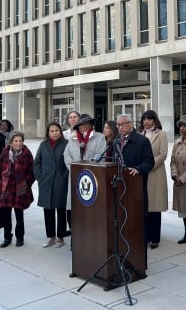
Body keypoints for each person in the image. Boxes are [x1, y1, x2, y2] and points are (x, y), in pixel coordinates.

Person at [113, 114, 155, 259]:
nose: (120, 127)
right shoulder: (116, 141)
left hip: (136, 189)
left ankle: (138, 256)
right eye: (118, 124)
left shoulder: (142, 141)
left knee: (137, 222)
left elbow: (149, 162)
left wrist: (138, 169)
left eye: (123, 124)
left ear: (131, 124)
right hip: (119, 189)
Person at [0, 131, 35, 248]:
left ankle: (20, 237)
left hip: (20, 189)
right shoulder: (5, 153)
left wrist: (26, 184)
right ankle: (7, 237)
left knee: (19, 215)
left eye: (20, 141)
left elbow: (32, 171)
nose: (18, 143)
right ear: (11, 143)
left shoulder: (27, 154)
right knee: (6, 215)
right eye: (16, 141)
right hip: (6, 189)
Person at [63, 113, 106, 218]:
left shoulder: (99, 137)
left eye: (85, 124)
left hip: (93, 177)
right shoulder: (72, 139)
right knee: (76, 203)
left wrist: (90, 169)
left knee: (91, 204)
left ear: (90, 125)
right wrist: (74, 168)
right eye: (80, 125)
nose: (82, 127)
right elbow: (66, 155)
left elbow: (102, 154)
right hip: (75, 176)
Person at [34, 122, 69, 248]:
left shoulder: (66, 144)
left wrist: (64, 176)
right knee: (47, 210)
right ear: (48, 133)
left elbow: (70, 162)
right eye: (52, 131)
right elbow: (37, 162)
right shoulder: (43, 145)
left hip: (61, 181)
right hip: (46, 182)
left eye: (56, 130)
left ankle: (60, 238)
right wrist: (40, 177)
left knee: (61, 210)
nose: (54, 133)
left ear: (60, 131)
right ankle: (51, 237)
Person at [140, 110, 168, 249]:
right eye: (144, 119)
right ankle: (145, 236)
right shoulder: (140, 135)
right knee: (144, 206)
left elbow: (163, 155)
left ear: (154, 120)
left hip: (155, 173)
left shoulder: (161, 134)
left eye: (149, 119)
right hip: (142, 174)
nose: (146, 121)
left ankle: (155, 238)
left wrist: (148, 165)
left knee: (155, 208)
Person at [170, 115, 186, 244]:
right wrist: (175, 175)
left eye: (185, 126)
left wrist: (183, 178)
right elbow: (173, 160)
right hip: (178, 181)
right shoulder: (177, 141)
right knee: (183, 209)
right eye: (180, 126)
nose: (182, 128)